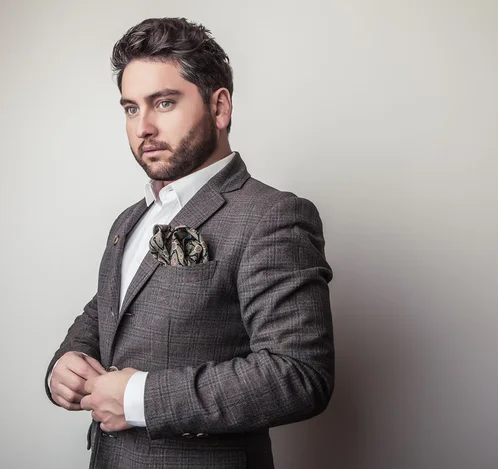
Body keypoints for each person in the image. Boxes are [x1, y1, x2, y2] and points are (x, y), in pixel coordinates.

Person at [45, 17, 334, 469]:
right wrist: (68, 362)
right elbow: (108, 310)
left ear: (219, 108)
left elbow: (298, 374)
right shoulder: (131, 218)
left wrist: (138, 398)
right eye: (131, 108)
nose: (143, 127)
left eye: (163, 102)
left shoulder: (271, 216)